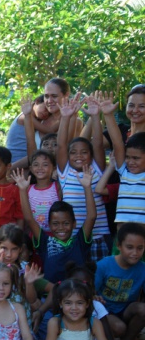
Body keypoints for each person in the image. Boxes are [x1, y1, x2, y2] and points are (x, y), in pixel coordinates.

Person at [14, 166, 94, 283]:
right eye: (56, 224)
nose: (61, 228)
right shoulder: (45, 242)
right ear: (49, 225)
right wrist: (22, 190)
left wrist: (87, 187)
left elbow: (91, 217)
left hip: (77, 295)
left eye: (66, 223)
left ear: (74, 224)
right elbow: (29, 219)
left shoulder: (80, 241)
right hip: (51, 295)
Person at [57, 93, 110, 261]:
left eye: (84, 152)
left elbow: (98, 143)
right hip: (71, 237)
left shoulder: (96, 168)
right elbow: (61, 145)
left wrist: (95, 116)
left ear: (91, 155)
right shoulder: (65, 172)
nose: (78, 156)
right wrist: (65, 117)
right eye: (73, 153)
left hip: (98, 236)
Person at [95, 222, 145, 340]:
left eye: (140, 248)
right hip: (105, 312)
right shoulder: (104, 265)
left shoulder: (143, 268)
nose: (135, 253)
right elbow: (90, 291)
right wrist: (95, 296)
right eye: (129, 247)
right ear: (119, 246)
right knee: (119, 328)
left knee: (143, 309)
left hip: (126, 310)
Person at [39, 279, 114, 340]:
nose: (74, 308)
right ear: (60, 303)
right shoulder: (55, 322)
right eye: (68, 303)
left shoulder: (94, 323)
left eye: (79, 303)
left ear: (87, 303)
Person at [101, 91, 145, 225]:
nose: (135, 110)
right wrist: (107, 114)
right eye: (131, 105)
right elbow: (118, 143)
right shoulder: (125, 170)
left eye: (142, 106)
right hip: (121, 231)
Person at [6, 94, 54, 163]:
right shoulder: (25, 117)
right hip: (16, 158)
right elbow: (49, 131)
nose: (46, 113)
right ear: (37, 101)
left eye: (49, 114)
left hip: (25, 157)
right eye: (45, 109)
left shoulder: (37, 119)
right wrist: (64, 118)